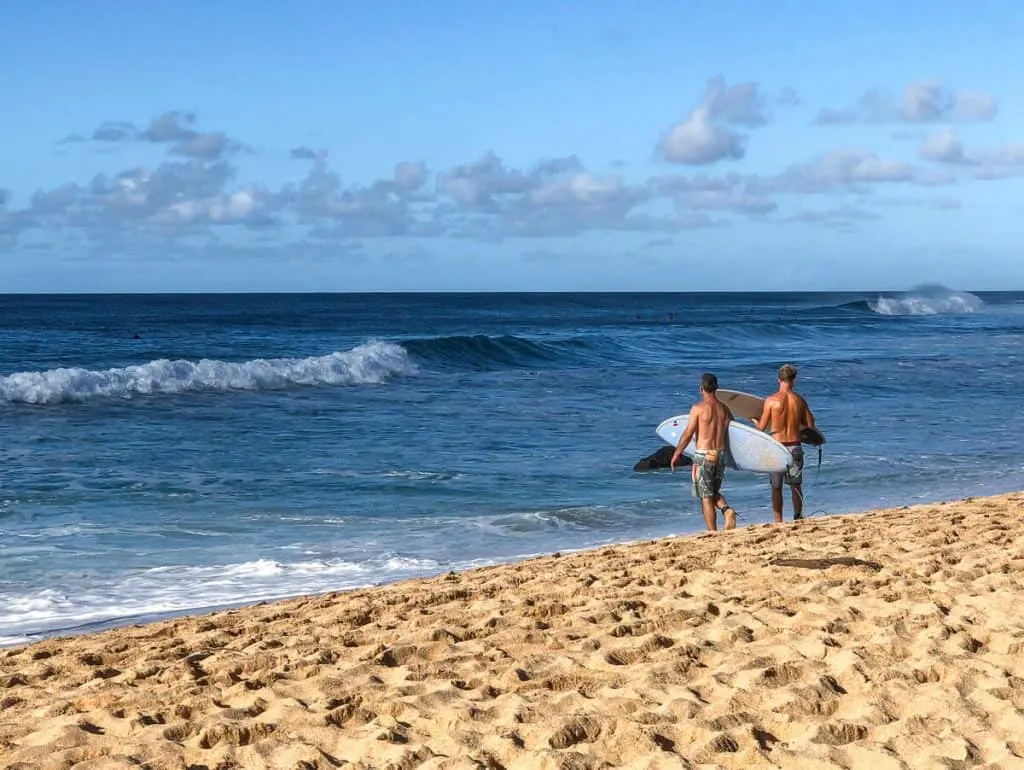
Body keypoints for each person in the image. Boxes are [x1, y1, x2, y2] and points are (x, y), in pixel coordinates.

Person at [670, 372, 737, 531]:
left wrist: (677, 453)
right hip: (720, 455)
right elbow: (734, 432)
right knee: (713, 492)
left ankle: (712, 532)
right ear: (716, 388)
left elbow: (688, 434)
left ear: (701, 389)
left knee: (706, 497)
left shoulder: (698, 408)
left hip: (704, 455)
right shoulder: (725, 410)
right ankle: (727, 511)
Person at [753, 363, 815, 523]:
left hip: (776, 448)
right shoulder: (799, 400)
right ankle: (798, 516)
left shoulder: (771, 401)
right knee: (795, 485)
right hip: (795, 446)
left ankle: (778, 521)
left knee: (776, 487)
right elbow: (810, 425)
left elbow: (761, 428)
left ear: (778, 380)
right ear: (793, 380)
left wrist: (754, 421)